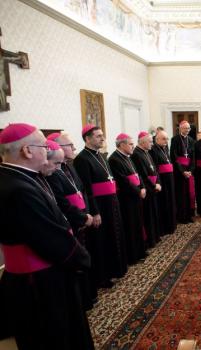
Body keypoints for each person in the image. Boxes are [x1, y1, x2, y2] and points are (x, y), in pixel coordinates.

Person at [0, 123, 94, 350]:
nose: (47, 150)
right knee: (55, 337)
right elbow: (51, 239)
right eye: (43, 145)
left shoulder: (19, 177)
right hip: (41, 281)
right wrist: (82, 260)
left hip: (40, 276)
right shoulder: (19, 188)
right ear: (27, 151)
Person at [45, 135, 96, 310]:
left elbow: (81, 191)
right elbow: (61, 202)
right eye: (70, 145)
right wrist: (81, 218)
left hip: (83, 217)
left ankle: (89, 294)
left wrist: (87, 214)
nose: (74, 148)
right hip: (73, 221)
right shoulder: (51, 174)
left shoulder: (69, 167)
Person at [73, 125, 127, 289]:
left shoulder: (102, 156)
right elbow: (87, 189)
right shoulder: (82, 159)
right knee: (101, 241)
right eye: (98, 136)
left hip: (111, 203)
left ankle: (115, 269)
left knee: (113, 235)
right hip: (100, 206)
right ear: (87, 139)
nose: (102, 138)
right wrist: (95, 212)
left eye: (102, 135)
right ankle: (102, 277)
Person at [108, 133, 147, 265]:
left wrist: (142, 187)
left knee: (138, 223)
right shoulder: (114, 159)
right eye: (130, 144)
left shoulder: (128, 157)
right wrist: (138, 191)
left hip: (136, 196)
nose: (133, 146)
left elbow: (137, 174)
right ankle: (133, 255)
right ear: (122, 144)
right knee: (130, 225)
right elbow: (123, 181)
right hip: (127, 198)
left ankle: (140, 250)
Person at [131, 131, 162, 248]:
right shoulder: (136, 154)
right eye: (150, 141)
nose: (152, 144)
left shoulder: (147, 152)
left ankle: (155, 236)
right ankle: (150, 239)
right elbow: (143, 175)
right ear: (142, 142)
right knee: (148, 215)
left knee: (154, 213)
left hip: (153, 187)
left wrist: (158, 182)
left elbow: (155, 170)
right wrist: (153, 186)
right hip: (147, 189)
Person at [149, 130, 177, 236]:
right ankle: (165, 227)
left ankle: (172, 224)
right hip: (162, 181)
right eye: (164, 139)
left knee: (171, 201)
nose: (166, 141)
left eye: (167, 139)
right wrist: (158, 182)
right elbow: (155, 168)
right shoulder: (153, 150)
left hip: (169, 180)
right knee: (164, 203)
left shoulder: (164, 148)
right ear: (157, 139)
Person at [170, 121, 195, 223]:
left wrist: (190, 170)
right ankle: (181, 216)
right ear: (180, 128)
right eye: (185, 128)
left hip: (188, 171)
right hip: (179, 172)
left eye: (188, 128)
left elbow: (193, 157)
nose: (187, 130)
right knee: (181, 194)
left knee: (189, 193)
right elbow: (174, 157)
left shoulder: (191, 140)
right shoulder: (175, 139)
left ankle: (189, 215)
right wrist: (182, 171)